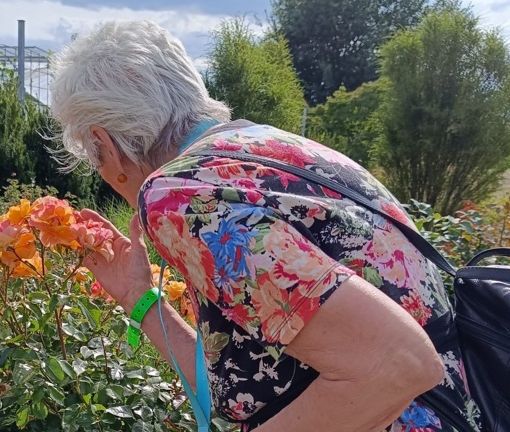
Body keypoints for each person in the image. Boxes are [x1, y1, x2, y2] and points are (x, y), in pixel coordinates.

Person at [49, 20, 480, 431]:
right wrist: (139, 299)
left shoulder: (178, 196)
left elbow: (397, 364)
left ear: (105, 144)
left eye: (94, 159)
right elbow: (254, 381)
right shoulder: (268, 150)